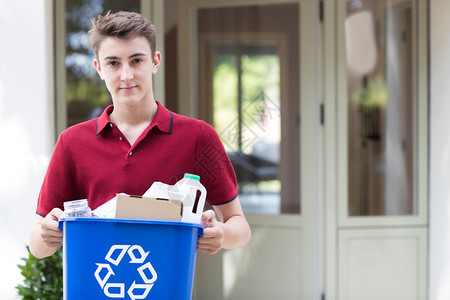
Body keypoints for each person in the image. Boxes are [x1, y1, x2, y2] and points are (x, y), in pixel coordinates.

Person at [29, 11, 251, 259]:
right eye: (113, 63)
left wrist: (221, 233)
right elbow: (37, 247)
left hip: (167, 287)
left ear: (155, 62)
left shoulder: (198, 136)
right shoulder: (72, 142)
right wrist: (46, 235)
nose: (126, 75)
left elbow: (239, 226)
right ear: (99, 68)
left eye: (136, 61)